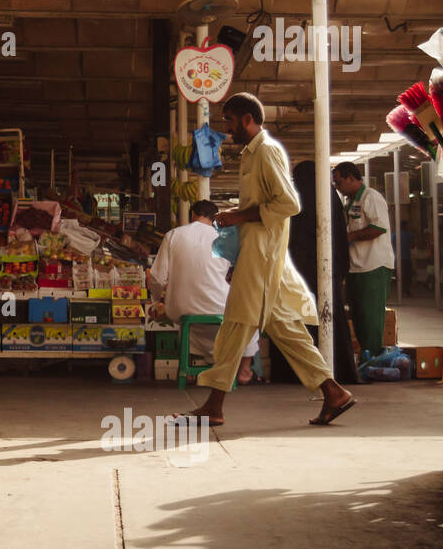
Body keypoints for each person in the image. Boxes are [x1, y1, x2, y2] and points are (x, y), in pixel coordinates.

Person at [173, 93, 356, 427]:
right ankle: (333, 391)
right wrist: (239, 219)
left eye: (229, 120)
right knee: (284, 327)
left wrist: (239, 215)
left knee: (235, 324)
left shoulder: (266, 151)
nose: (226, 128)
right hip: (261, 253)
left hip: (264, 254)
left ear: (247, 118)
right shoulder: (252, 154)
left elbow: (289, 204)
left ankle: (215, 404)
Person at [149, 199, 259, 384]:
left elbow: (157, 277)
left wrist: (156, 299)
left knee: (187, 325)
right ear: (215, 217)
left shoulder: (173, 235)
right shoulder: (226, 237)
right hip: (221, 308)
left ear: (193, 215)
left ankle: (191, 366)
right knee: (249, 322)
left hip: (181, 308)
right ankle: (244, 370)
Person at [277, 160, 360, 384]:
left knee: (298, 319)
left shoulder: (295, 199)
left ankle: (295, 373)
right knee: (330, 319)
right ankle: (336, 369)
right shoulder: (329, 198)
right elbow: (340, 237)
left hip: (298, 273)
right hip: (326, 271)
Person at [331, 162, 395, 357]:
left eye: (339, 182)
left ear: (351, 178)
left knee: (370, 317)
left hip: (373, 266)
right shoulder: (349, 202)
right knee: (358, 317)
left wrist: (348, 237)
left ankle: (373, 358)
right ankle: (365, 357)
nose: (337, 187)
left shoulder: (371, 198)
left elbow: (378, 228)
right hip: (355, 268)